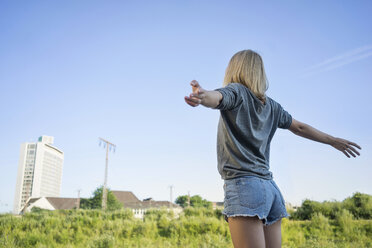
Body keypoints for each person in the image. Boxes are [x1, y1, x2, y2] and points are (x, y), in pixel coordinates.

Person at [184, 49, 362, 248]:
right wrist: (332, 140)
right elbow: (300, 127)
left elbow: (217, 97)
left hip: (244, 187)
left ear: (234, 69)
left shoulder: (237, 91)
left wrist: (202, 96)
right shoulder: (272, 106)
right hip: (270, 190)